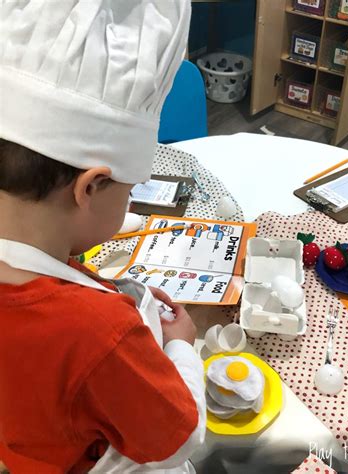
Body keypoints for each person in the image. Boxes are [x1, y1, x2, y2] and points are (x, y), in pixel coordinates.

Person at [0, 1, 206, 472]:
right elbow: (178, 440)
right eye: (130, 192)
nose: (130, 204)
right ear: (90, 187)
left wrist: (117, 291)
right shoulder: (99, 333)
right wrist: (181, 346)